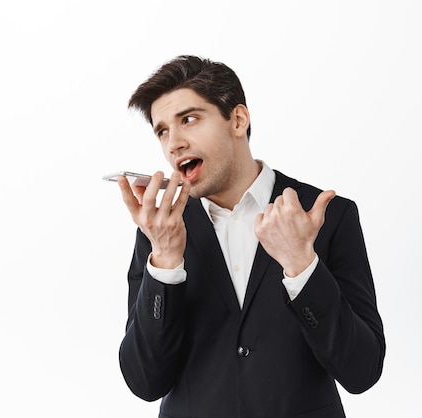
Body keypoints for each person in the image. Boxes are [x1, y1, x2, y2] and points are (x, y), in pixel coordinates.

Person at [114, 55, 385, 418]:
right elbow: (145, 381)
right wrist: (164, 261)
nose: (174, 143)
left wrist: (301, 266)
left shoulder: (326, 216)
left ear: (238, 120)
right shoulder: (161, 230)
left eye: (189, 119)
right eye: (162, 130)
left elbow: (362, 371)